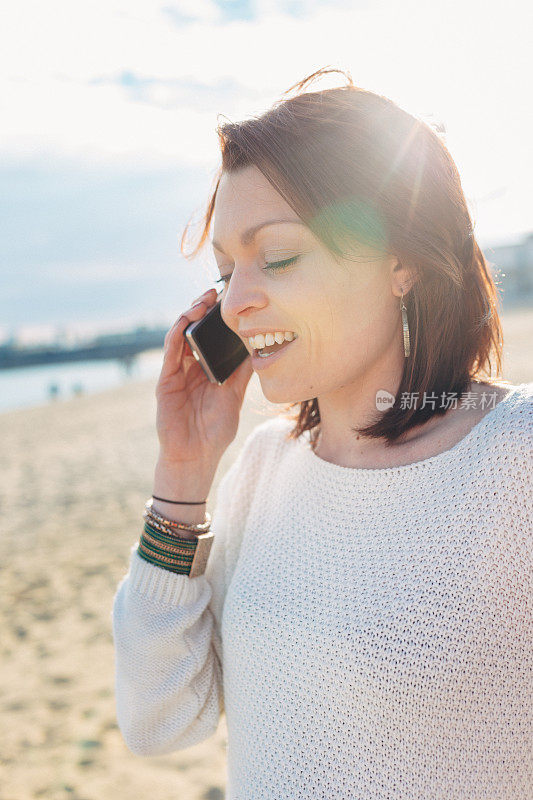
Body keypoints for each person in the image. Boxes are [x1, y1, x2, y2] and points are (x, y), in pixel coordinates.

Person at [111, 67, 533, 799]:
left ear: (399, 259)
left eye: (277, 257)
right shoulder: (261, 468)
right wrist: (182, 475)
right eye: (224, 272)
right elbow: (160, 722)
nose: (237, 304)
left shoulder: (514, 455)